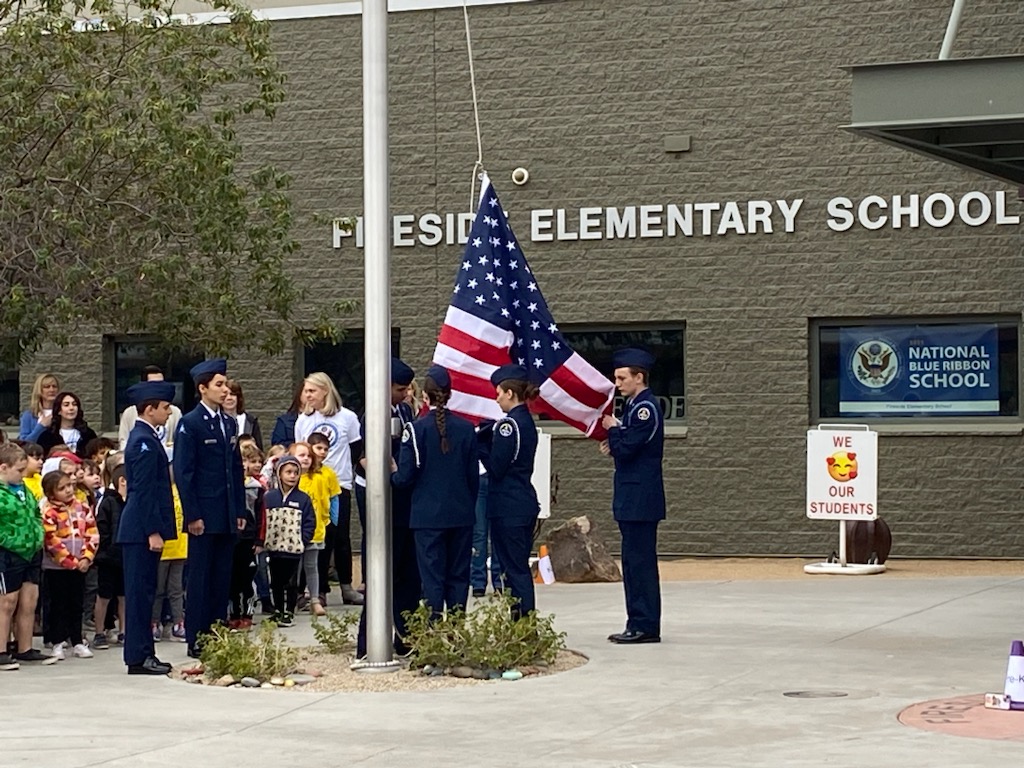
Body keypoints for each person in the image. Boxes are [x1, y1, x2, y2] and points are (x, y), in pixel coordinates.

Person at [173, 359, 246, 658]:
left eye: (225, 383)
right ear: (202, 388)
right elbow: (184, 473)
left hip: (226, 512)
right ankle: (198, 637)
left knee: (221, 577)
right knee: (201, 578)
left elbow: (235, 469)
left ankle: (217, 632)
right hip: (204, 513)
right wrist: (193, 515)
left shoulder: (228, 422)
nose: (224, 389)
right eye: (218, 384)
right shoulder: (190, 423)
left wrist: (240, 510)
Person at [393, 365, 478, 621]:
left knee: (431, 577)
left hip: (427, 516)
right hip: (461, 513)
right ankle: (455, 632)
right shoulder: (466, 429)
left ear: (425, 397)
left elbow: (405, 477)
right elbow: (472, 476)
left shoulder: (416, 430)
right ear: (449, 394)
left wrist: (389, 473)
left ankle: (433, 631)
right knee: (458, 576)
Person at [355, 357, 421, 657]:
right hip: (381, 498)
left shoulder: (405, 411)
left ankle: (404, 635)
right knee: (383, 571)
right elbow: (365, 457)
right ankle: (368, 642)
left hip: (404, 497)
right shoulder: (371, 415)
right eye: (399, 388)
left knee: (408, 572)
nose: (406, 393)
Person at [600, 347, 665, 645]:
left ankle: (644, 623)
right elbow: (626, 447)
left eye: (622, 378)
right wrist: (616, 440)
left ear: (639, 377)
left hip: (641, 498)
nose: (617, 384)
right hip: (632, 497)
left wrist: (614, 432)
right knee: (633, 561)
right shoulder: (635, 408)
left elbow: (628, 449)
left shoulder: (644, 409)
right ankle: (637, 620)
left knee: (640, 563)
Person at [116, 380, 178, 674]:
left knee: (146, 591)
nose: (168, 412)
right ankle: (139, 657)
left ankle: (143, 653)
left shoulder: (147, 437)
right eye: (165, 407)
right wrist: (153, 529)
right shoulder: (142, 440)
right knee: (140, 594)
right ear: (150, 408)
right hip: (140, 529)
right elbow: (142, 490)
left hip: (142, 528)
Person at [293, 372, 362, 604]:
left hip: (338, 486)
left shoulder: (347, 418)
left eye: (312, 391)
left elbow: (355, 448)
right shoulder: (304, 419)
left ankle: (346, 587)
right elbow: (300, 450)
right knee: (317, 537)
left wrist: (339, 471)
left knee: (340, 535)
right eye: (306, 391)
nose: (307, 395)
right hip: (311, 486)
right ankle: (318, 590)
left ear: (325, 390)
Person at [480, 364, 540, 619]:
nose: (496, 399)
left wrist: (481, 444)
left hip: (509, 505)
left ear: (510, 393)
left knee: (514, 570)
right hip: (520, 502)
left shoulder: (509, 426)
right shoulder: (524, 420)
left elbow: (497, 467)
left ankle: (523, 626)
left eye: (498, 393)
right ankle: (522, 624)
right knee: (516, 568)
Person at [40, 470, 98, 660]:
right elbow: (51, 541)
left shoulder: (82, 508)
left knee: (77, 603)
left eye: (69, 486)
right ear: (51, 493)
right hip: (57, 568)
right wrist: (71, 562)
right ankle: (57, 641)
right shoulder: (48, 512)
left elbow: (92, 533)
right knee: (58, 604)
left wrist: (86, 557)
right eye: (62, 488)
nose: (68, 490)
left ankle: (78, 641)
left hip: (80, 566)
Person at [0, 443, 46, 671]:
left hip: (31, 550)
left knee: (29, 601)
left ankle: (24, 647)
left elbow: (36, 513)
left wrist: (39, 534)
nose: (22, 474)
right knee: (7, 602)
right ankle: (1, 649)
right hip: (8, 552)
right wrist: (10, 541)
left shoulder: (25, 490)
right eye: (18, 470)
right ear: (3, 467)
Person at [256, 455, 315, 627]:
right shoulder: (269, 497)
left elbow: (309, 522)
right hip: (274, 548)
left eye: (296, 472)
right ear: (279, 474)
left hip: (293, 549)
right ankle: (278, 610)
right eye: (288, 472)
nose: (292, 476)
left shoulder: (303, 499)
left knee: (291, 581)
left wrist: (302, 540)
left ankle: (289, 611)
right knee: (276, 581)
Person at [288, 440, 338, 615]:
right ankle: (291, 600)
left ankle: (315, 599)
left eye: (309, 455)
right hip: (292, 531)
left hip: (315, 529)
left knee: (312, 566)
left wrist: (332, 520)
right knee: (293, 567)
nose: (306, 459)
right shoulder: (290, 477)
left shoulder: (319, 475)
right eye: (301, 455)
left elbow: (332, 498)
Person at [92, 466, 127, 651]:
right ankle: (99, 632)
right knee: (104, 595)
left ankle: (124, 631)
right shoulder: (108, 503)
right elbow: (101, 529)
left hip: (126, 556)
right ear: (122, 481)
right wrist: (104, 550)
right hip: (108, 557)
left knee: (124, 596)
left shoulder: (132, 502)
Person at [229, 444, 263, 629]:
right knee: (232, 580)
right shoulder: (229, 486)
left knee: (247, 580)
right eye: (243, 460)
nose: (245, 465)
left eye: (256, 461)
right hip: (233, 540)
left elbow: (261, 517)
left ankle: (248, 613)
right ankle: (233, 613)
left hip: (249, 541)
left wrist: (259, 539)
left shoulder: (257, 488)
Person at [152, 477, 187, 643]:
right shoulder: (160, 490)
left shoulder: (181, 489)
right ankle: (154, 623)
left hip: (180, 548)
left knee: (176, 589)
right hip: (163, 550)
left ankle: (178, 623)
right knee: (158, 589)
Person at [117, 366, 182, 451]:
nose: (160, 388)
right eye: (154, 385)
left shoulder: (175, 412)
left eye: (162, 383)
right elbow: (124, 442)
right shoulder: (130, 413)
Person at [37, 392, 98, 459]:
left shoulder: (88, 434)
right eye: (66, 405)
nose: (71, 408)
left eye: (74, 404)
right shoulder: (47, 437)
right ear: (59, 410)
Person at [18, 373, 60, 443]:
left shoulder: (63, 412)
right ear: (39, 390)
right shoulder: (29, 415)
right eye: (47, 387)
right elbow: (24, 443)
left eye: (54, 386)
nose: (52, 390)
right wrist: (41, 426)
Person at [270, 382, 305, 448]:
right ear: (300, 393)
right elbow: (277, 445)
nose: (310, 395)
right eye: (307, 391)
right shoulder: (284, 421)